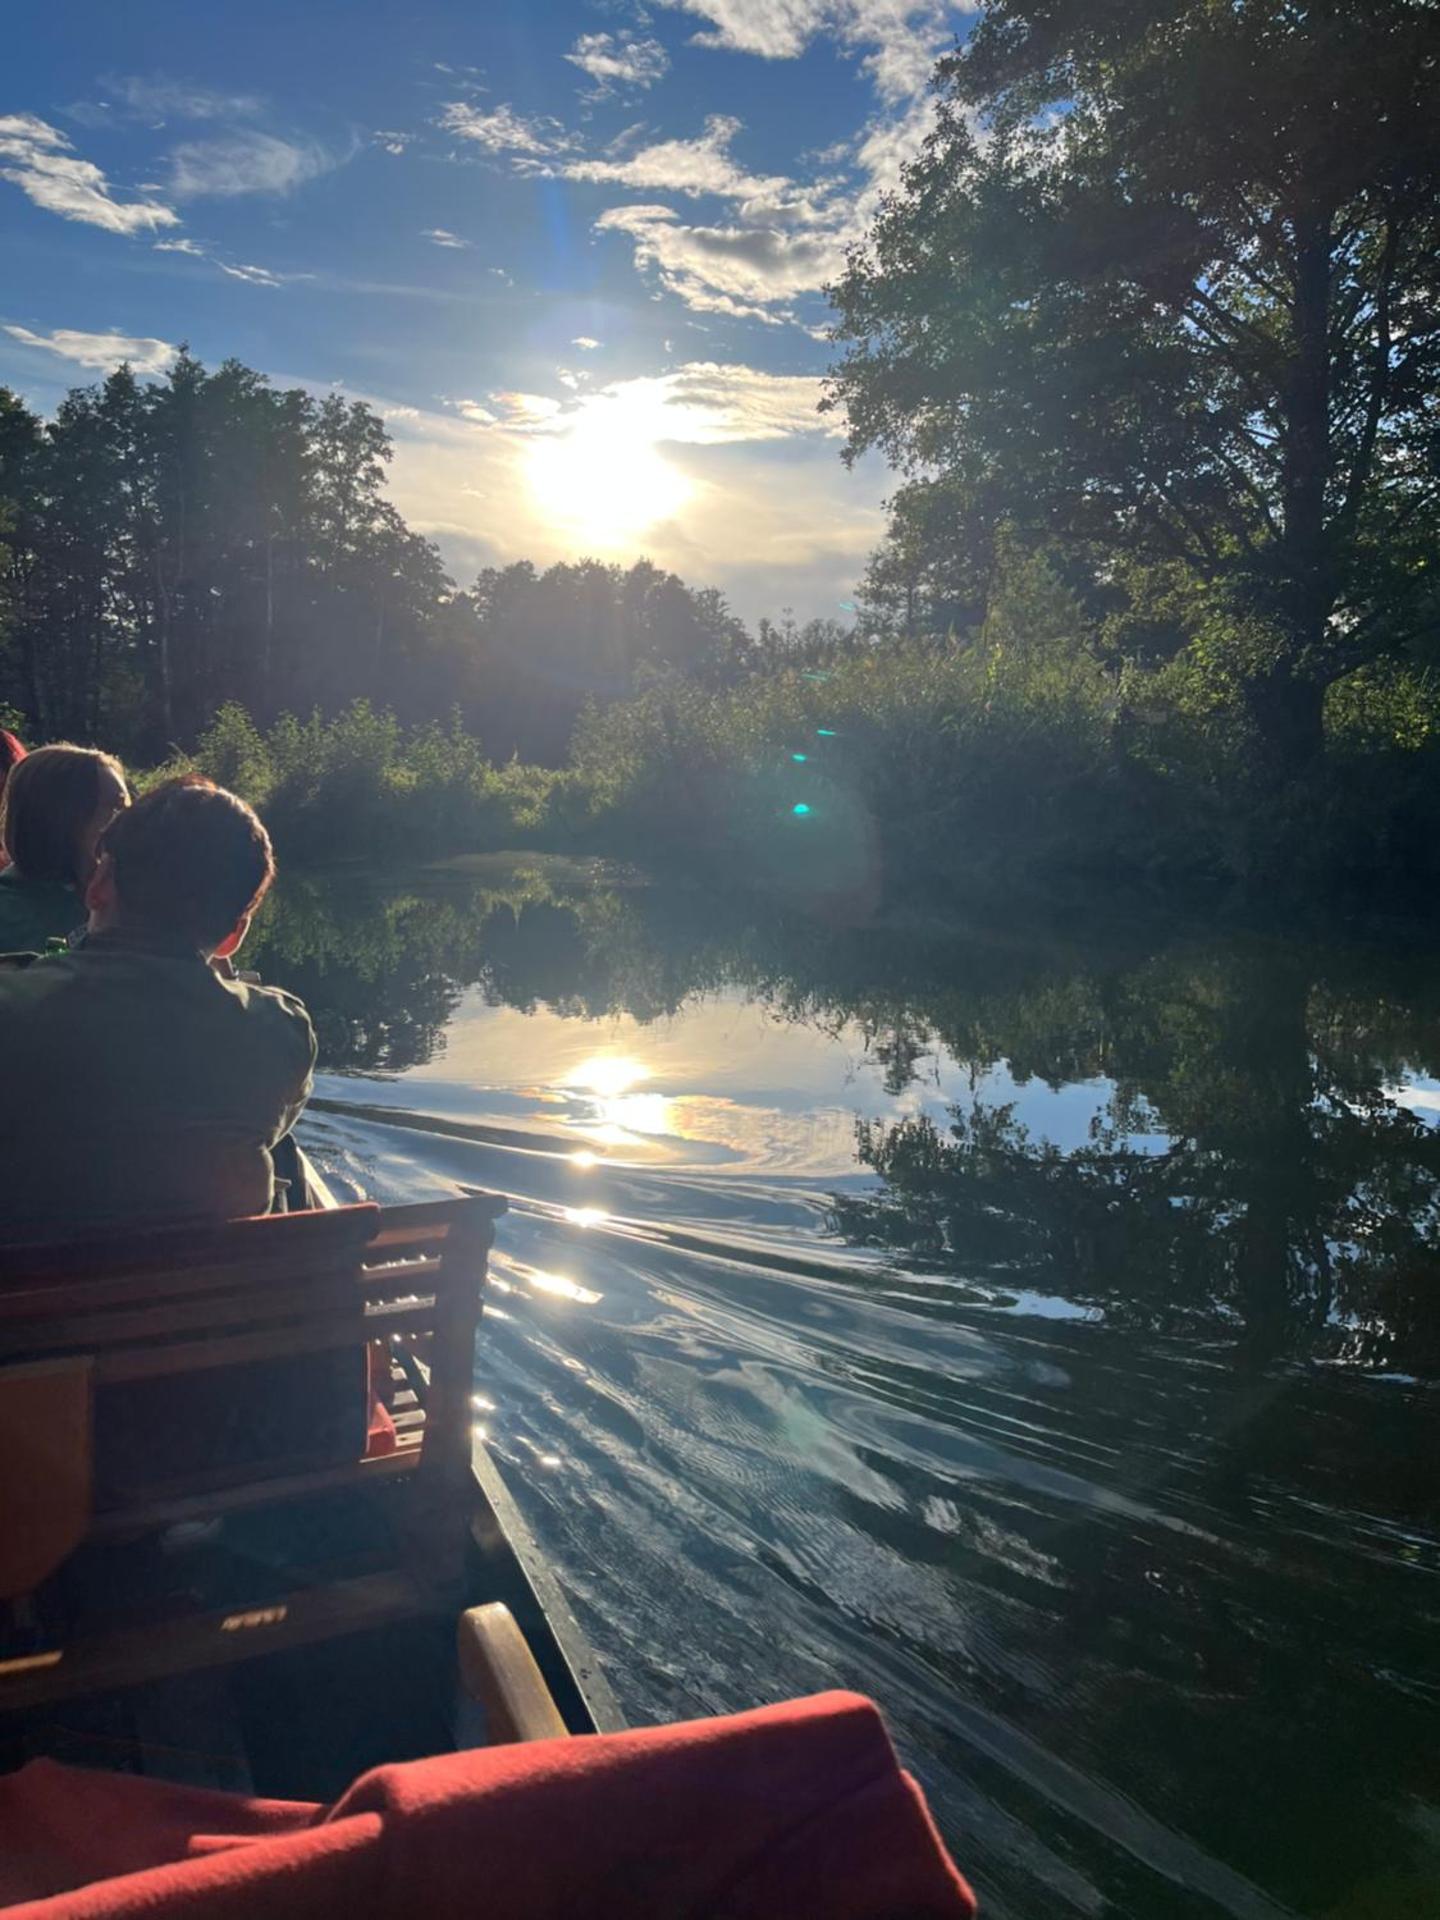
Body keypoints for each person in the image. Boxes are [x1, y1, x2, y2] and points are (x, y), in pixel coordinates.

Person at [0, 773, 314, 1243]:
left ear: (99, 884)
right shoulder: (280, 1030)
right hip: (221, 1306)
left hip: (39, 1311)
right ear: (234, 935)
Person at [0, 742, 128, 950]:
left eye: (125, 807)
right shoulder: (8, 911)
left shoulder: (132, 897)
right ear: (63, 817)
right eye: (113, 808)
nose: (127, 821)